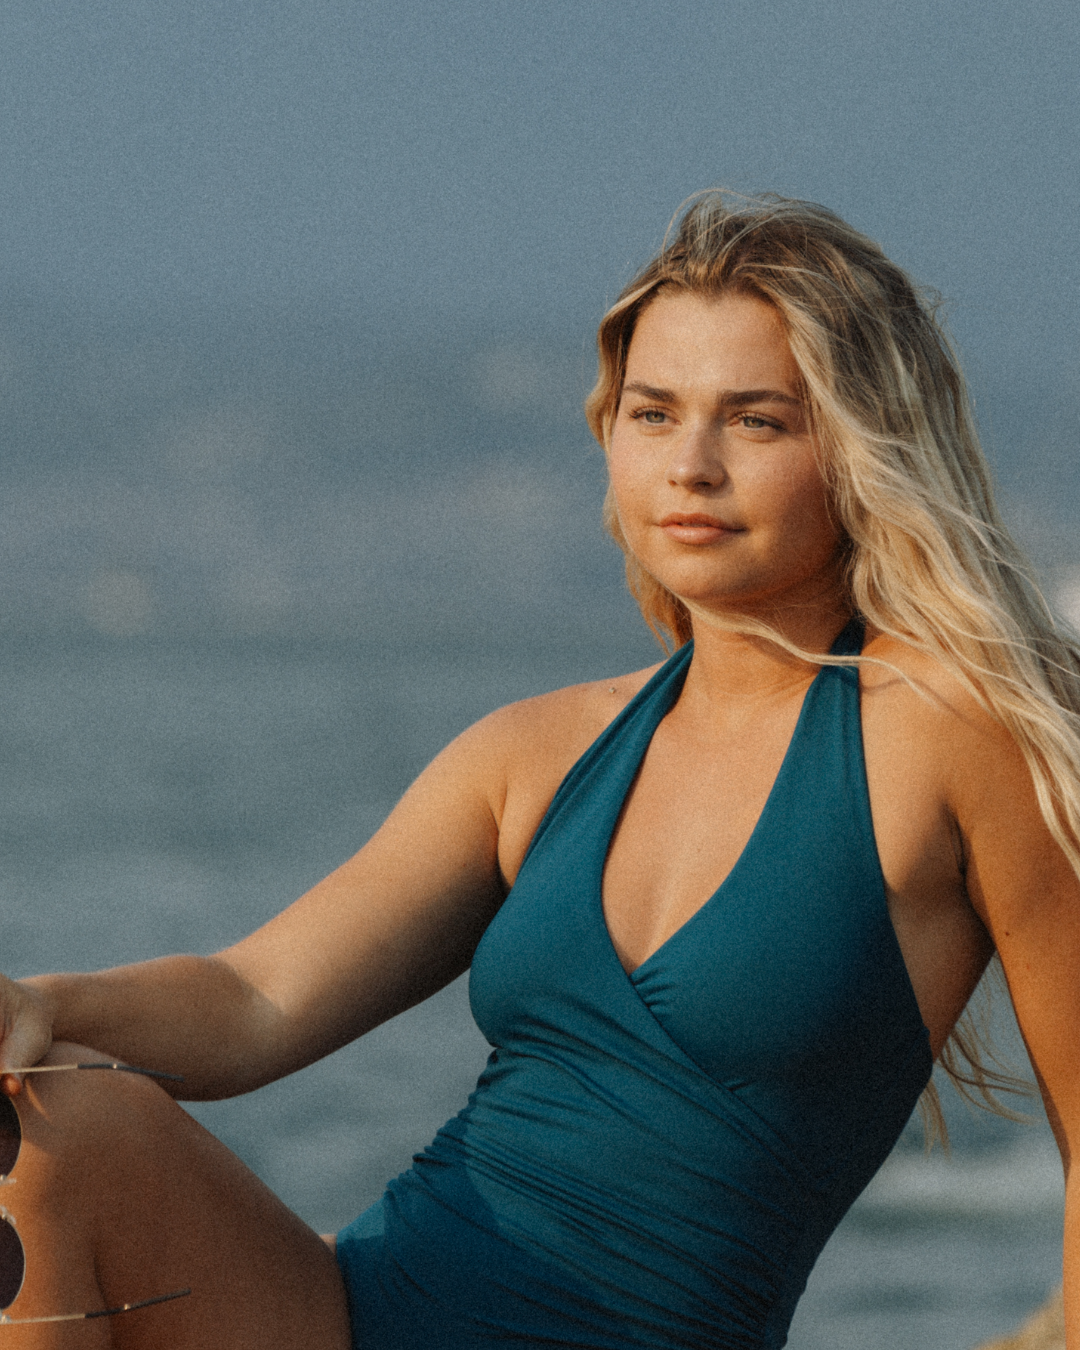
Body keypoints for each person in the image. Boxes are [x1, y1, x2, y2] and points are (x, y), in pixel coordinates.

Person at [0, 189, 1077, 1350]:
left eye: (758, 421)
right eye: (654, 414)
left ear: (865, 445)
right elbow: (255, 1002)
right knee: (52, 1129)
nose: (692, 466)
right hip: (361, 1312)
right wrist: (43, 1004)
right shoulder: (537, 753)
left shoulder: (960, 730)